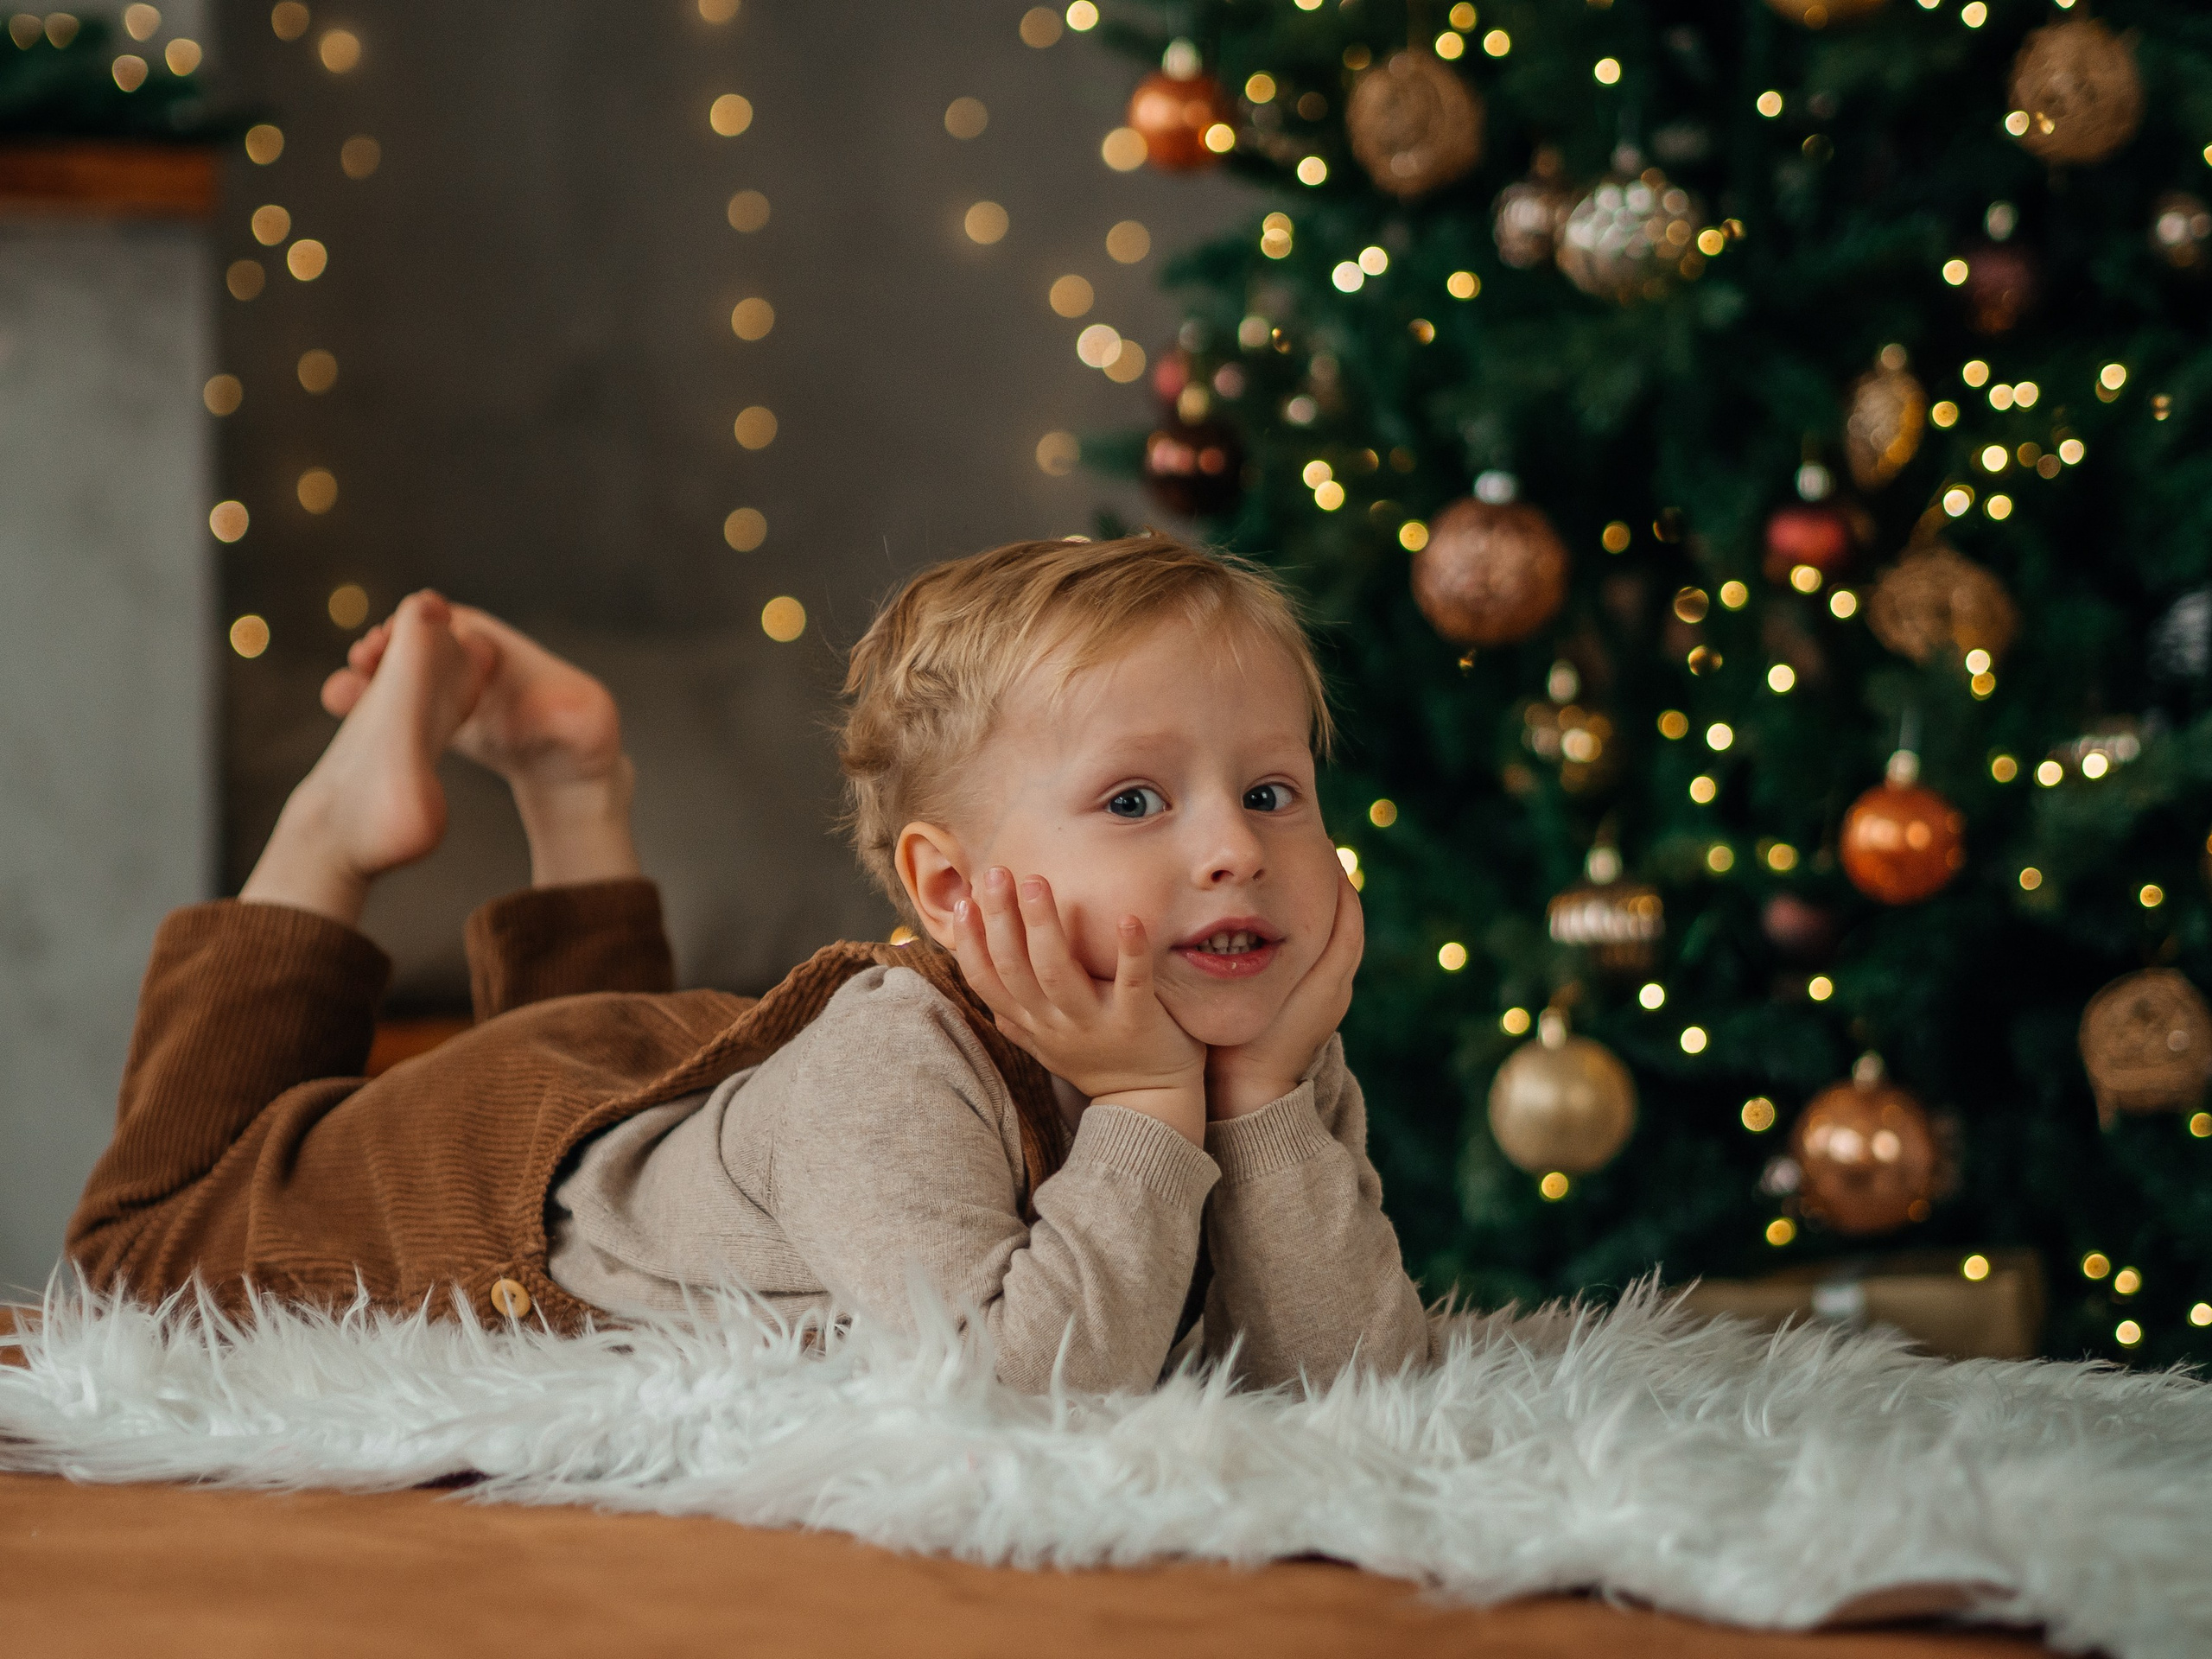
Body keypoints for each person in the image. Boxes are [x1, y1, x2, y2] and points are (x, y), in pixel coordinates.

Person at [67, 535, 1435, 1393]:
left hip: (660, 1095)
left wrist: (1260, 1101)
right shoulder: (895, 1064)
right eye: (1136, 801)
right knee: (138, 1253)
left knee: (625, 1068)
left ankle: (568, 780)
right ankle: (328, 831)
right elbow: (1019, 1397)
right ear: (948, 890)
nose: (1235, 851)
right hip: (468, 1182)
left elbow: (1358, 1383)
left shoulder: (1255, 1050)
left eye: (1272, 793)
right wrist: (1143, 1112)